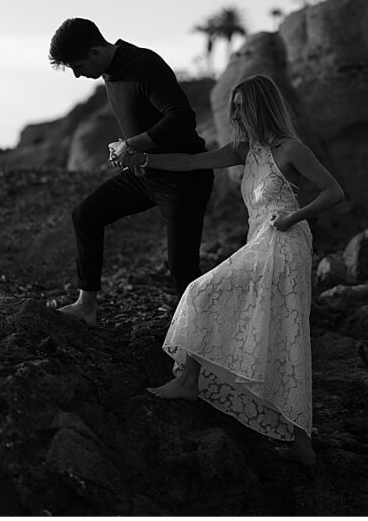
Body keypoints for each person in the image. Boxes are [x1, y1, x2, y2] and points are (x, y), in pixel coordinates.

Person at [124, 74, 344, 466]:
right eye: (234, 105)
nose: (236, 112)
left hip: (286, 243)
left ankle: (189, 382)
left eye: (242, 105)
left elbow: (334, 191)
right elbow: (193, 162)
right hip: (260, 242)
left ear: (261, 106)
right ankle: (302, 446)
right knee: (277, 329)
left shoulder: (290, 149)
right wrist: (142, 158)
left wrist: (295, 216)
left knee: (206, 294)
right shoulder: (247, 151)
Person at [48, 18, 214, 328]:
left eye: (78, 65)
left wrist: (132, 144)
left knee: (182, 267)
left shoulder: (144, 65)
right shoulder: (110, 73)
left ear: (96, 52)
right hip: (145, 174)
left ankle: (200, 343)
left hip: (184, 177)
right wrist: (130, 151)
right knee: (85, 215)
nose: (77, 73)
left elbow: (181, 118)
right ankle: (86, 305)